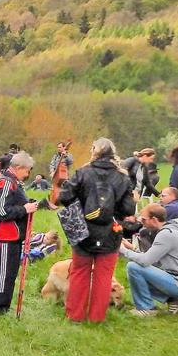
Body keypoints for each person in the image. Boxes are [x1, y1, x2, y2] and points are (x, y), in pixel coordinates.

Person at [55, 138, 136, 323]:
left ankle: (75, 316)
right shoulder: (123, 177)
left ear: (94, 151)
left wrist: (82, 206)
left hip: (83, 231)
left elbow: (64, 196)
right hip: (110, 232)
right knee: (104, 276)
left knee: (79, 273)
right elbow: (129, 209)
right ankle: (96, 318)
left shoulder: (83, 172)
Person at [120, 203, 178, 317]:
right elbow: (153, 261)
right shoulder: (171, 229)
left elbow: (145, 261)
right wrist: (132, 248)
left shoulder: (166, 234)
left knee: (133, 267)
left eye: (144, 219)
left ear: (154, 219)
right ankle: (173, 300)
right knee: (139, 268)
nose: (142, 222)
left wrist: (123, 250)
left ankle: (146, 308)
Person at [0, 152, 40, 314]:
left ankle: (5, 307)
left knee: (11, 273)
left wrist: (28, 205)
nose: (28, 174)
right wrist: (24, 209)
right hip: (5, 236)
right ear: (18, 168)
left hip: (14, 236)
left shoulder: (15, 183)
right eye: (27, 171)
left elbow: (13, 203)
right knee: (4, 273)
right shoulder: (5, 183)